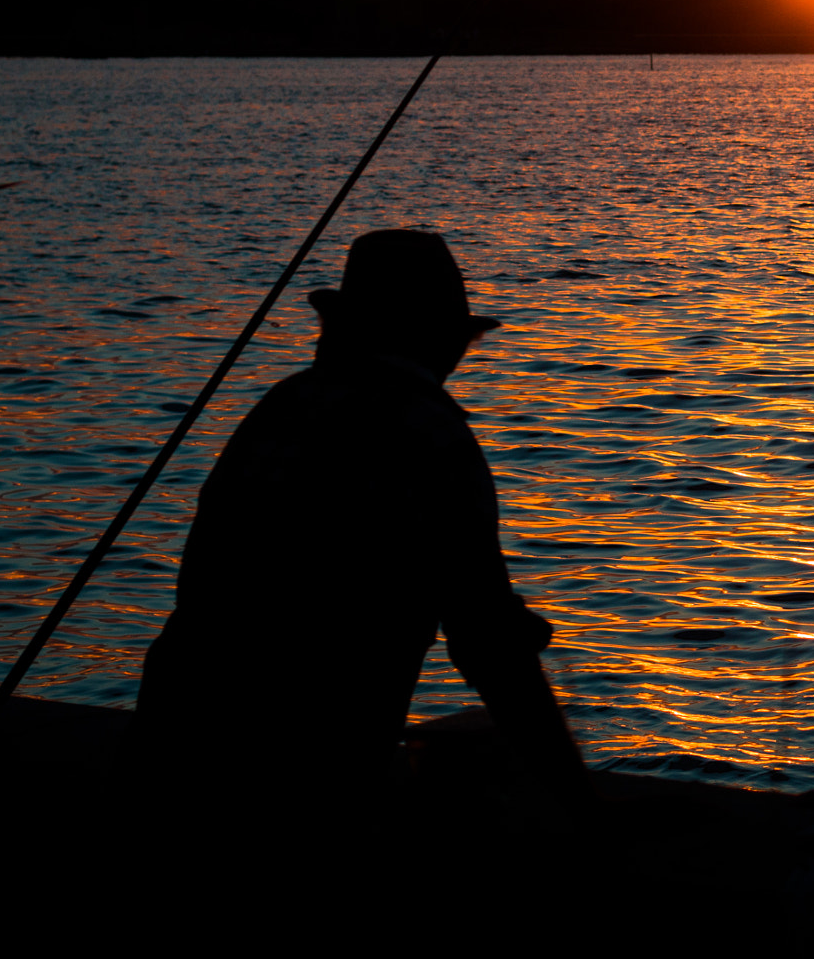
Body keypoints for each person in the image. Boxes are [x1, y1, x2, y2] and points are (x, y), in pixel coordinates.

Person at [129, 228, 593, 821]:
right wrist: (585, 811)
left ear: (341, 327)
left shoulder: (278, 406)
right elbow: (490, 645)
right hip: (311, 781)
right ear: (445, 344)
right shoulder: (433, 436)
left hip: (165, 754)